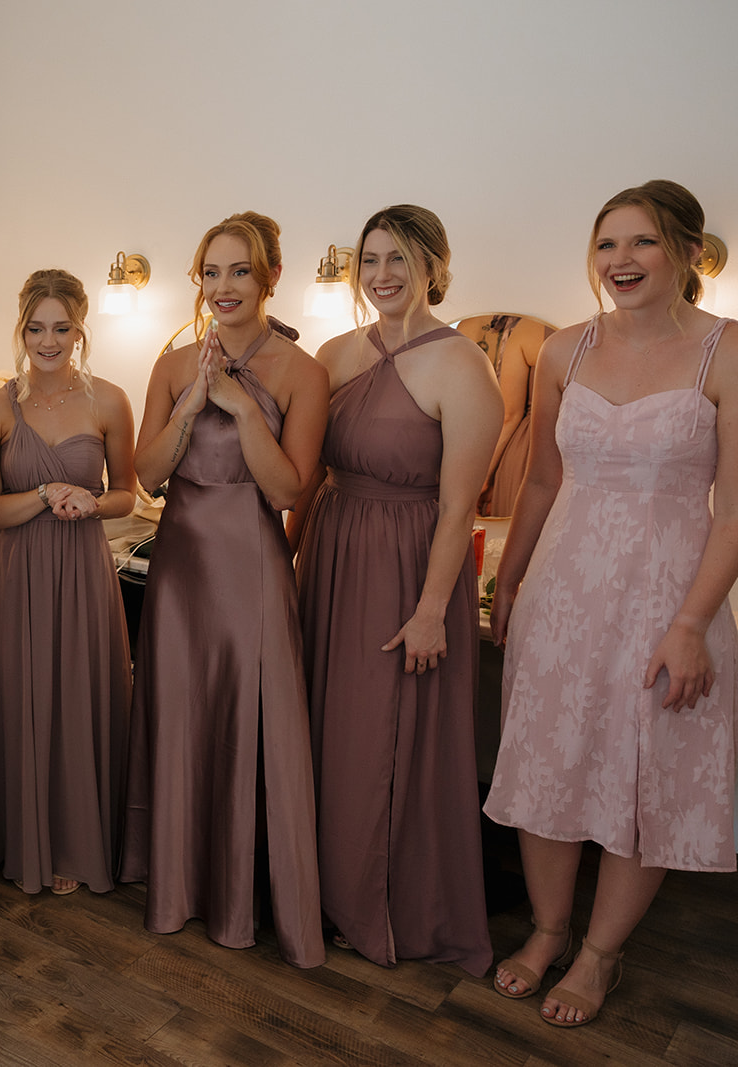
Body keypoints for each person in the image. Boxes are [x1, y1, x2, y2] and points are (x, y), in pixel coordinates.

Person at [485, 180, 738, 1027]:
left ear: (689, 253)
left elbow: (735, 512)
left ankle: (599, 954)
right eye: (606, 244)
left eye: (642, 242)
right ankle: (548, 929)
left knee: (644, 776)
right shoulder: (563, 349)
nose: (620, 261)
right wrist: (510, 581)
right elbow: (540, 480)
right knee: (547, 759)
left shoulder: (727, 351)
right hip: (563, 592)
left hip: (669, 600)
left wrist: (692, 625)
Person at [291, 205, 500, 976]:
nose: (382, 275)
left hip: (409, 566)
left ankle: (383, 903)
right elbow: (306, 475)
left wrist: (431, 610)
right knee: (326, 725)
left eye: (399, 260)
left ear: (433, 268)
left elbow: (460, 506)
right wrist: (284, 559)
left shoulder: (464, 365)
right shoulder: (333, 353)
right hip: (332, 552)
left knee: (381, 734)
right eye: (370, 260)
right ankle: (315, 889)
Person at [119, 212, 327, 966]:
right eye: (212, 272)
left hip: (251, 564)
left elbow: (289, 490)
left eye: (240, 271)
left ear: (271, 277)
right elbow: (147, 475)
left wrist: (240, 408)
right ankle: (174, 886)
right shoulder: (173, 364)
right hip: (180, 565)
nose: (224, 286)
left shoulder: (302, 372)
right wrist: (189, 403)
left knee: (246, 720)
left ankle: (240, 896)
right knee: (179, 715)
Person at [0, 268, 137, 896]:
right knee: (18, 698)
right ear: (21, 329)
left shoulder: (109, 401)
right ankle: (16, 836)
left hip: (82, 570)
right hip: (13, 572)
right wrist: (43, 493)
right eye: (36, 328)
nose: (48, 341)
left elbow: (127, 494)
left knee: (75, 698)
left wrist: (92, 501)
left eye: (61, 328)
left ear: (80, 330)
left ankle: (72, 840)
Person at [456, 314, 556, 516]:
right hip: (571, 443)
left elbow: (509, 415)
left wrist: (482, 477)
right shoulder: (573, 329)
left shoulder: (521, 332)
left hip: (523, 449)